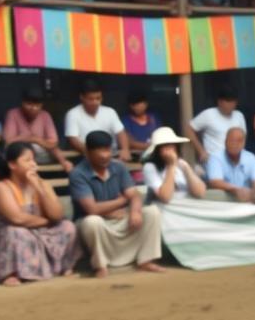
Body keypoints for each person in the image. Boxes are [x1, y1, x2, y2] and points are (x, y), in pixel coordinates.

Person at [68, 131, 163, 277]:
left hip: (119, 217)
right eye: (99, 150)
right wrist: (122, 201)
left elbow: (134, 195)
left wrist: (135, 212)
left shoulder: (118, 167)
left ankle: (146, 260)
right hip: (96, 224)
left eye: (107, 150)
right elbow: (92, 209)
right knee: (92, 222)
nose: (105, 155)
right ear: (87, 152)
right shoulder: (78, 173)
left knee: (152, 212)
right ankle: (100, 265)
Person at [0, 141, 80, 285]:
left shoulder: (42, 183)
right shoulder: (1, 187)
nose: (33, 164)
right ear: (12, 165)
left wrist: (38, 186)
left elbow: (57, 215)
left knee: (67, 226)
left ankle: (61, 267)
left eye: (33, 160)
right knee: (16, 232)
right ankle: (11, 273)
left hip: (40, 229)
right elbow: (17, 219)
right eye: (27, 160)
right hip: (13, 232)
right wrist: (47, 222)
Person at [5, 86, 70, 171]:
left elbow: (53, 143)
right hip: (21, 156)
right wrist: (31, 139)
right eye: (29, 104)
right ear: (22, 102)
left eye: (37, 105)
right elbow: (8, 142)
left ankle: (65, 163)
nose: (33, 108)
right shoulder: (13, 114)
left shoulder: (45, 115)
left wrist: (35, 139)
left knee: (54, 148)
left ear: (41, 105)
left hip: (43, 155)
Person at [65, 80, 129, 160]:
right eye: (91, 99)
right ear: (82, 97)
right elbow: (73, 139)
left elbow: (120, 132)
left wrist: (125, 149)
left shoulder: (110, 112)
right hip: (86, 157)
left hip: (112, 156)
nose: (95, 102)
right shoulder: (73, 114)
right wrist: (94, 153)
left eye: (98, 98)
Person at [142, 127, 207, 204]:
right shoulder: (149, 167)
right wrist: (171, 166)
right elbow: (165, 197)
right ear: (157, 150)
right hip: (165, 210)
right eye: (165, 145)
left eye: (172, 145)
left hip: (188, 207)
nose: (170, 149)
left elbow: (200, 193)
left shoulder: (182, 164)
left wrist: (186, 168)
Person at [187, 85, 246, 164]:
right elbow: (189, 129)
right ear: (220, 102)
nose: (231, 105)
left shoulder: (239, 115)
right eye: (228, 101)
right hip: (214, 159)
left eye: (233, 102)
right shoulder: (208, 114)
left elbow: (243, 137)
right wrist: (201, 151)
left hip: (237, 158)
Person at [207, 128, 255, 203]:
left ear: (243, 143)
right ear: (225, 142)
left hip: (246, 202)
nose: (234, 144)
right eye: (231, 140)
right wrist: (236, 190)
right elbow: (215, 182)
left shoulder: (250, 157)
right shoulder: (216, 157)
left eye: (239, 141)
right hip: (222, 203)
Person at [122, 92, 160, 160]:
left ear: (146, 104)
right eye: (133, 105)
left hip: (154, 155)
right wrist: (150, 146)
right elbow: (129, 142)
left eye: (139, 104)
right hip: (135, 157)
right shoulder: (126, 121)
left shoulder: (153, 118)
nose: (136, 107)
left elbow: (160, 136)